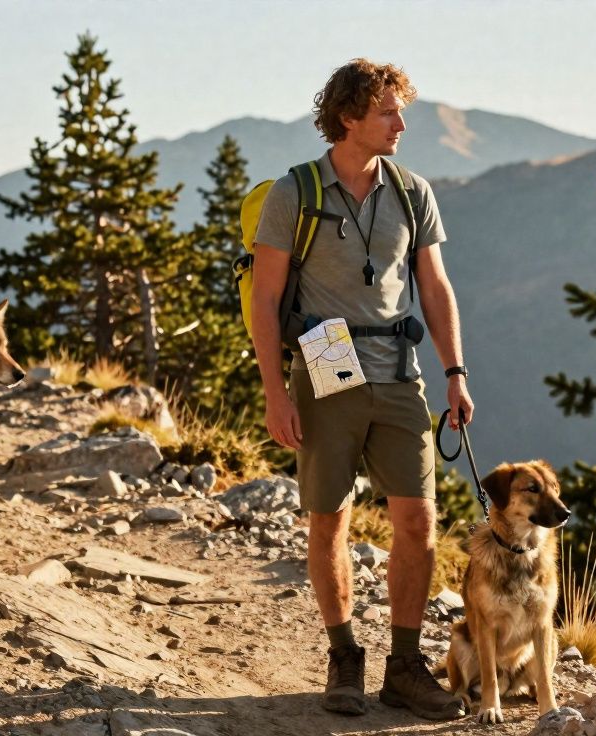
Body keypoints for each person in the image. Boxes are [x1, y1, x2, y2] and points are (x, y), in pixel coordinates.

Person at [250, 58, 474, 720]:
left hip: (399, 370)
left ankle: (405, 665)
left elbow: (435, 287)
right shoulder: (295, 192)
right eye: (387, 112)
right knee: (331, 518)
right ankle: (344, 653)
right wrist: (274, 392)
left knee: (419, 520)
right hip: (323, 359)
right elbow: (264, 300)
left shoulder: (412, 191)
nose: (401, 124)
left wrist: (456, 371)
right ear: (350, 117)